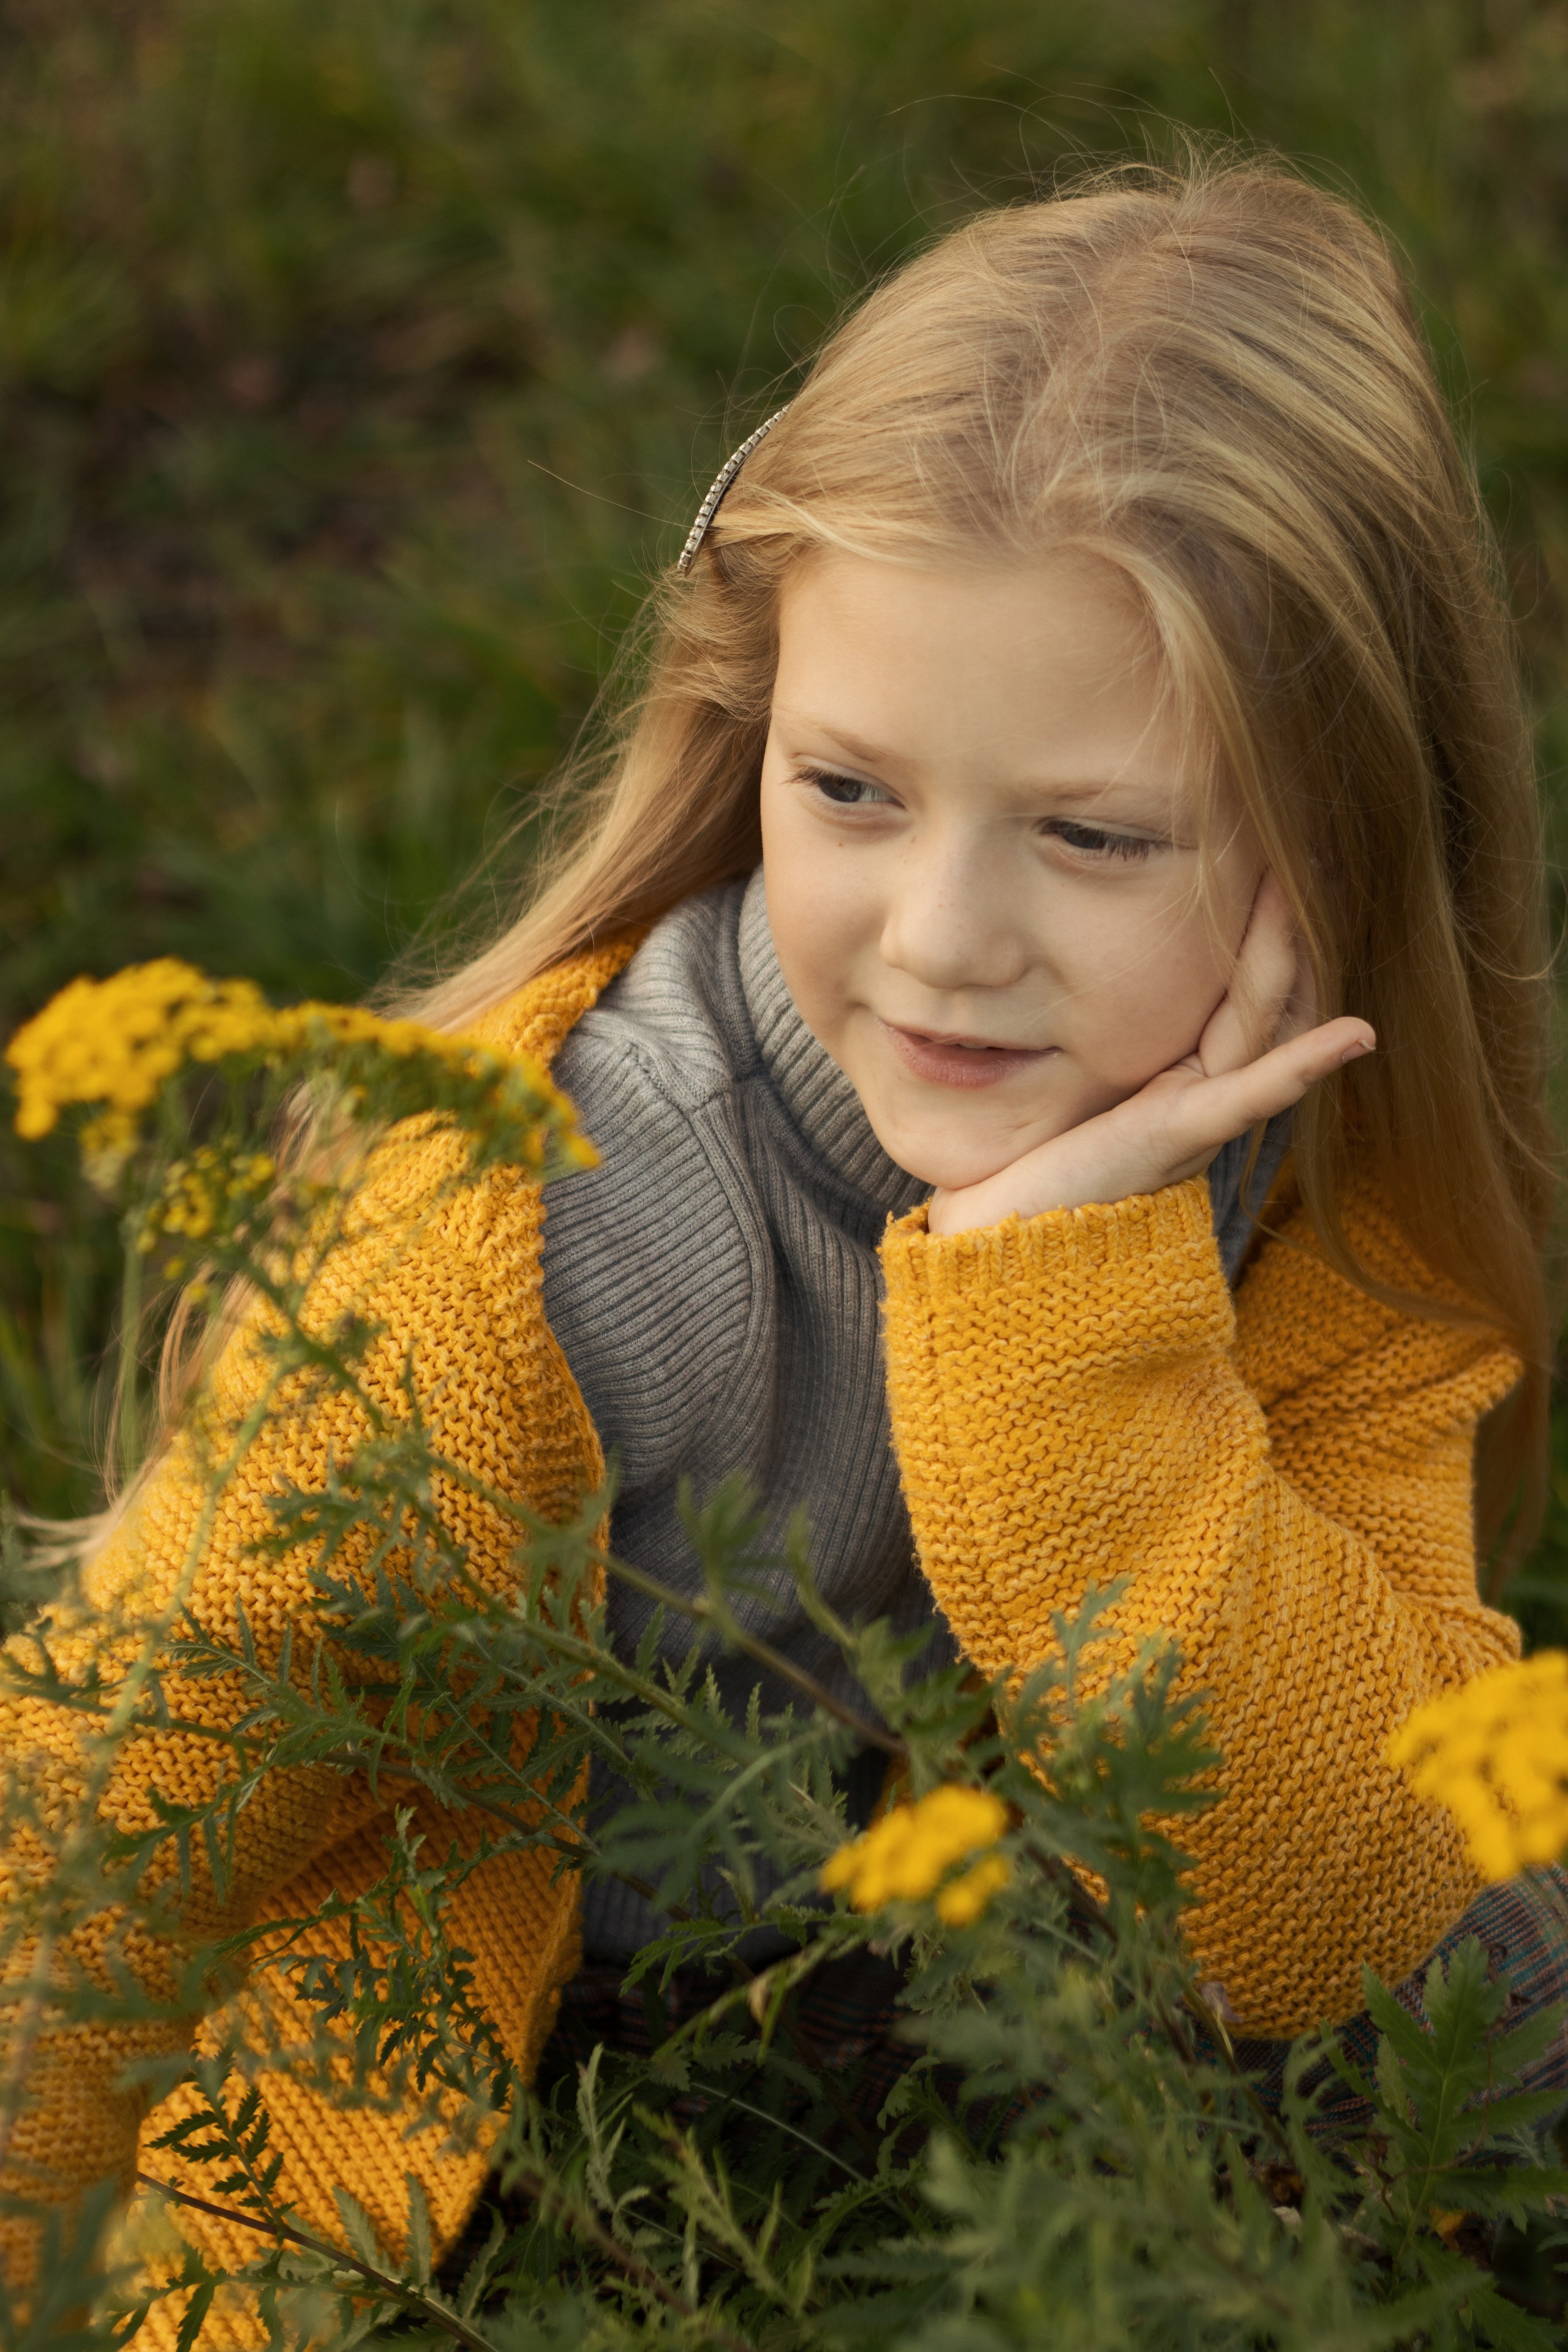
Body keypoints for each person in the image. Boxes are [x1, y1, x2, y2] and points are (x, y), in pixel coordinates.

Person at [3, 157, 1562, 2335]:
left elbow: (1347, 1914)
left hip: (1036, 2068)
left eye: (1094, 835)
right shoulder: (562, 1234)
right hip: (532, 2130)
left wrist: (1071, 1328)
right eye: (850, 792)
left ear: (1347, 838)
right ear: (750, 722)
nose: (943, 944)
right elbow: (112, 1810)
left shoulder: (1330, 1207)